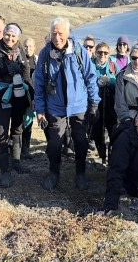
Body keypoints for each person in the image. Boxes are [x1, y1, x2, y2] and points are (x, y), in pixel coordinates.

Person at [33, 16, 100, 191]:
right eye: (54, 33)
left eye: (60, 33)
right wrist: (40, 110)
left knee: (81, 141)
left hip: (79, 105)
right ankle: (53, 172)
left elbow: (91, 77)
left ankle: (80, 173)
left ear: (68, 33)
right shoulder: (45, 54)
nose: (57, 37)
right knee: (55, 143)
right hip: (55, 107)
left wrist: (94, 103)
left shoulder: (79, 51)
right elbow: (39, 83)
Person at [0, 23, 33, 187]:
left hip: (19, 97)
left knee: (17, 130)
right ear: (3, 33)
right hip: (1, 98)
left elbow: (26, 75)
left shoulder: (21, 51)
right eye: (7, 34)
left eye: (13, 36)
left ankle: (16, 162)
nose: (10, 38)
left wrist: (33, 97)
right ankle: (5, 172)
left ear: (17, 37)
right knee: (1, 132)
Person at [88, 41, 118, 165]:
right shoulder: (90, 65)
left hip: (111, 102)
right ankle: (102, 155)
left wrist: (109, 81)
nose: (103, 55)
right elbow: (86, 81)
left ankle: (111, 156)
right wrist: (97, 82)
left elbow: (119, 81)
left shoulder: (113, 66)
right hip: (95, 103)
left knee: (112, 129)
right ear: (95, 53)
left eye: (105, 53)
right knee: (97, 130)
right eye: (100, 52)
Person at [20, 36, 37, 157]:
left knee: (29, 122)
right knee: (19, 122)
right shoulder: (20, 59)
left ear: (34, 47)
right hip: (21, 95)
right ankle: (18, 147)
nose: (28, 48)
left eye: (30, 46)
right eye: (26, 46)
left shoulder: (37, 60)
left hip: (33, 95)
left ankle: (26, 147)